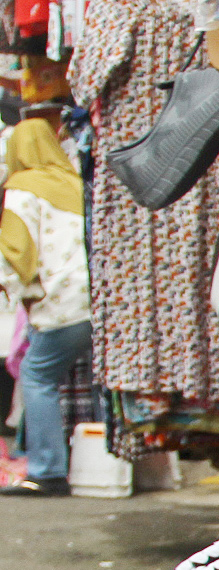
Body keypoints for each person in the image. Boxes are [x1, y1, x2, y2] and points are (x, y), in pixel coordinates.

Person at [0, 117, 89, 498]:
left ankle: (48, 470)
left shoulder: (23, 188)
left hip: (58, 305)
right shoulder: (75, 184)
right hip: (93, 302)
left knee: (38, 378)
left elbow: (16, 251)